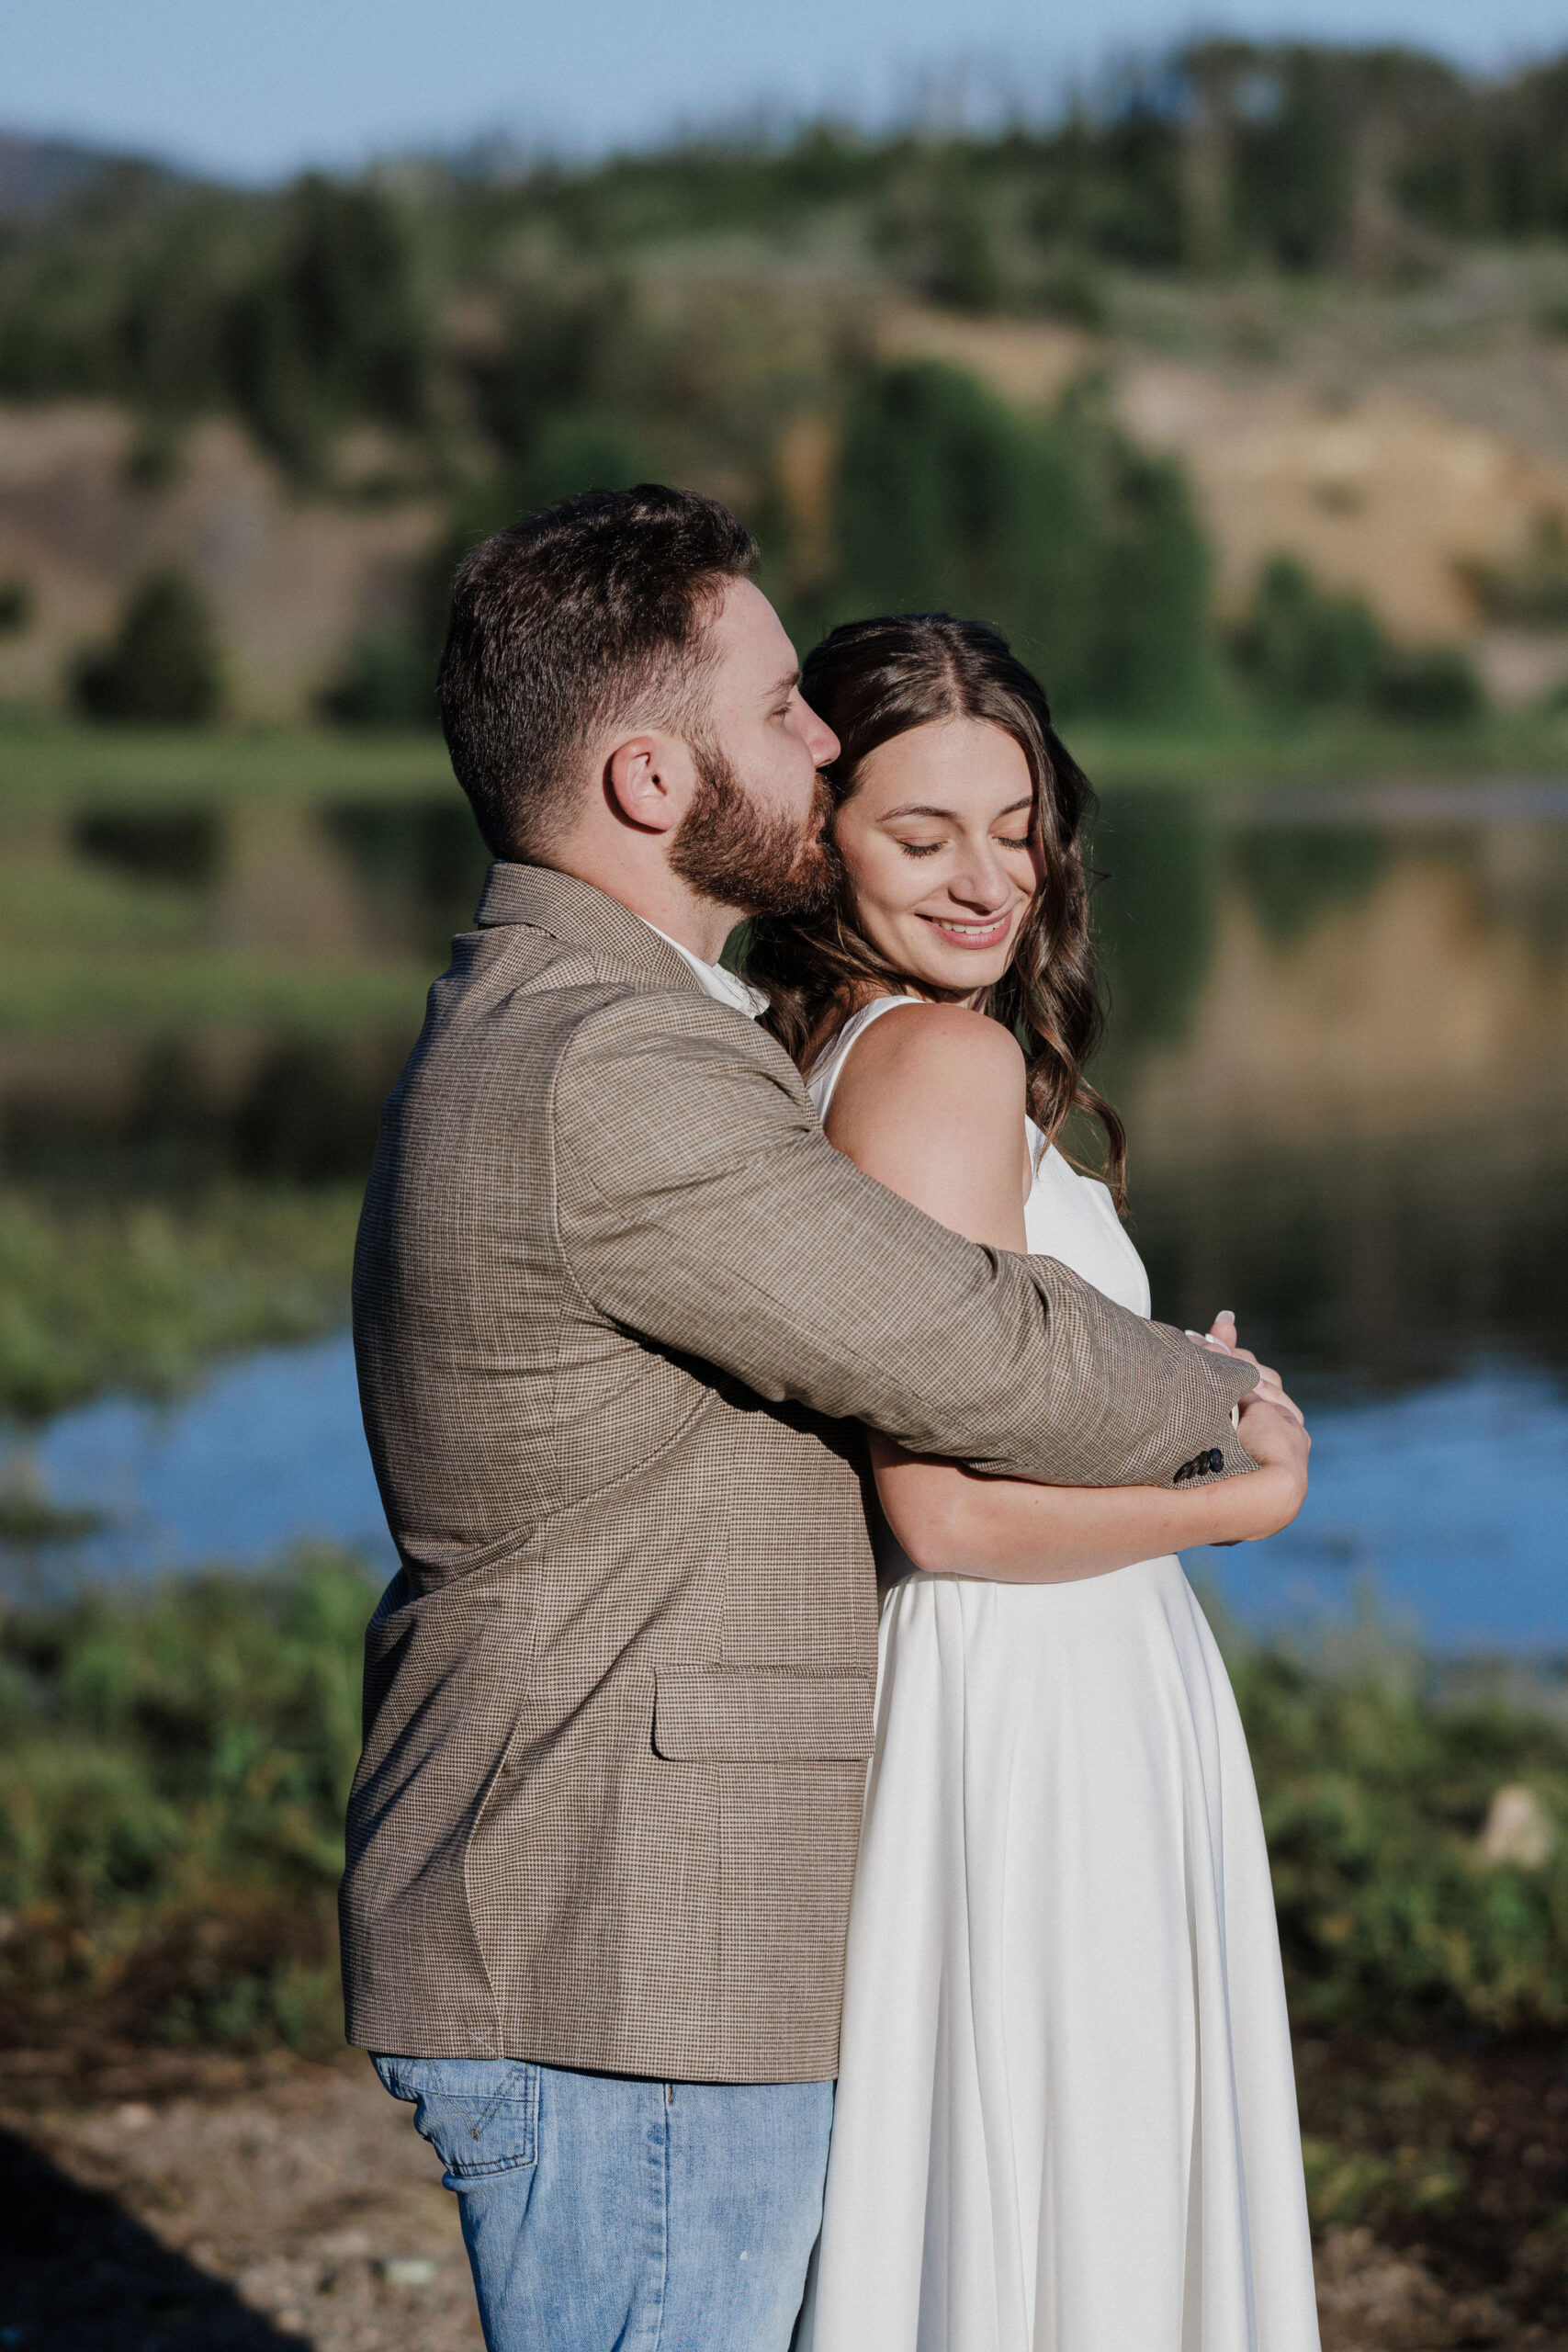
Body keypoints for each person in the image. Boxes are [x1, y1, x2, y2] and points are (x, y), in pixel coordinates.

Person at [344, 487, 1267, 2352]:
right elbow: (971, 1354)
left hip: (615, 1925)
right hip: (622, 1943)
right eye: (783, 714)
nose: (819, 737)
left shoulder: (620, 1019)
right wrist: (1230, 1413)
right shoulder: (612, 1065)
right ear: (642, 776)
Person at [742, 612, 1319, 2352]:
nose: (987, 880)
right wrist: (1241, 1489)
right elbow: (946, 1507)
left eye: (1014, 829)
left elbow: (1009, 1401)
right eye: (921, 836)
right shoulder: (936, 1060)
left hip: (1032, 1679)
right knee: (1081, 2186)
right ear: (815, 833)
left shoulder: (848, 1041)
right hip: (1033, 1693)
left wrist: (1164, 1391)